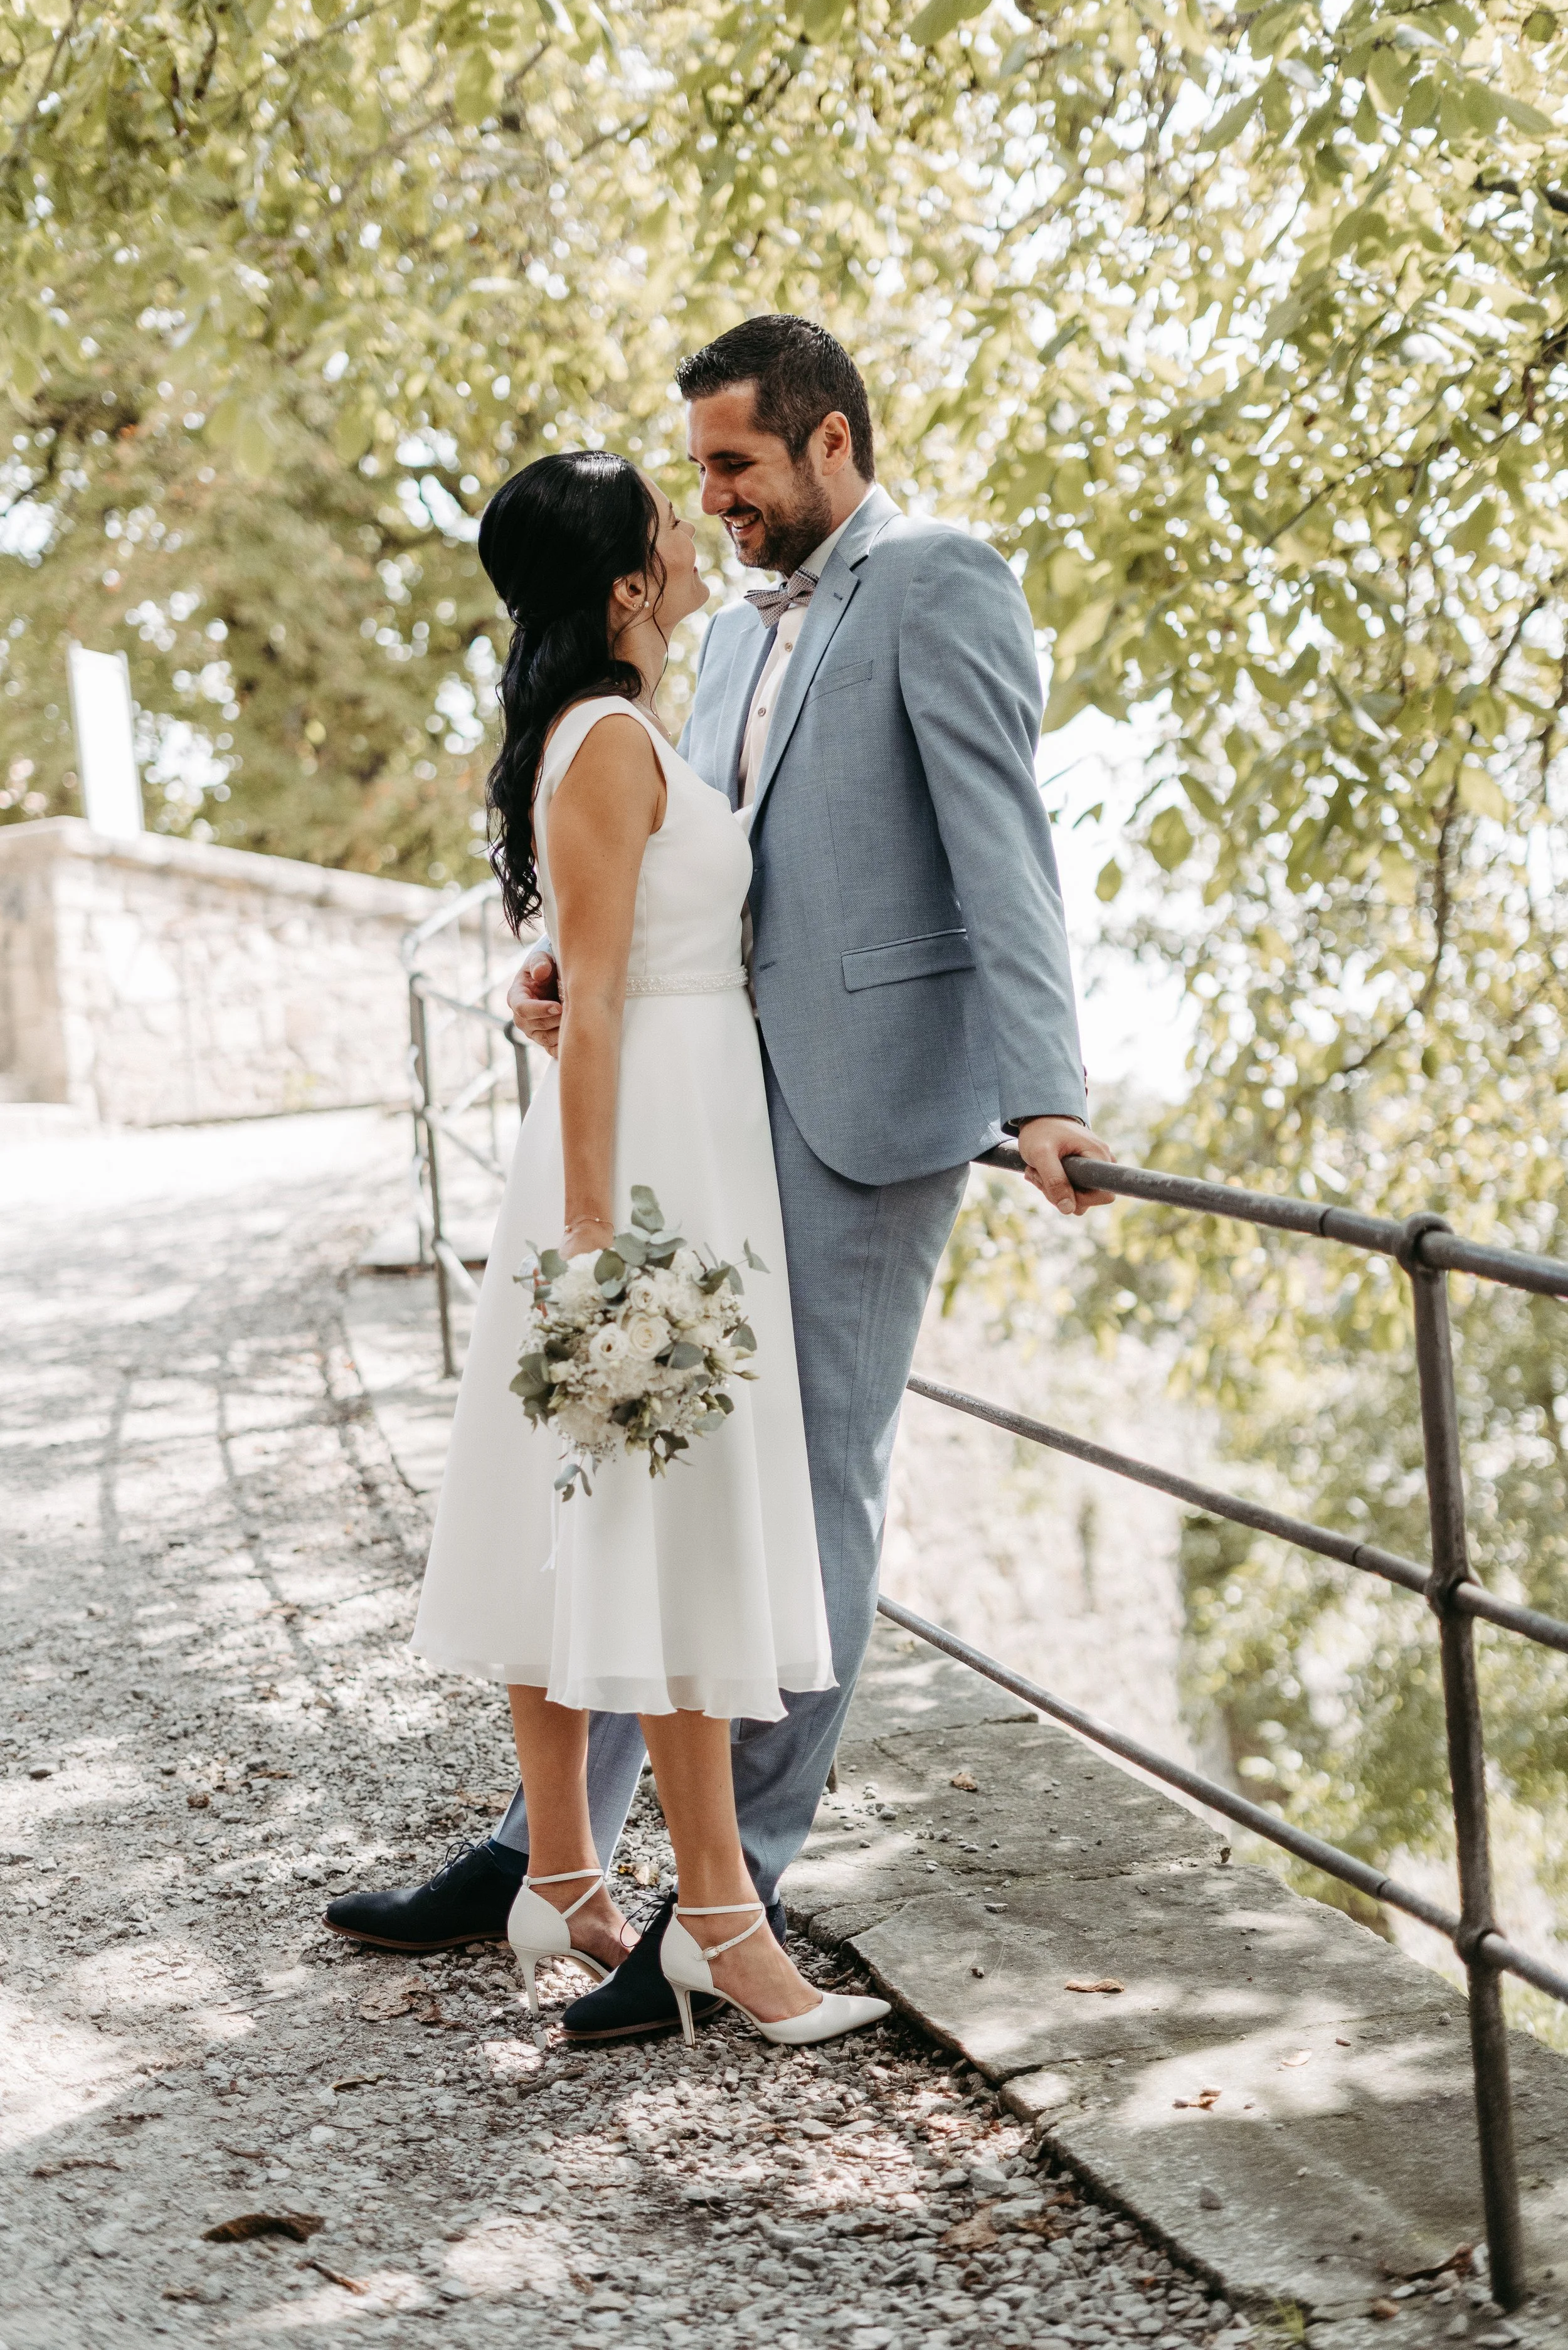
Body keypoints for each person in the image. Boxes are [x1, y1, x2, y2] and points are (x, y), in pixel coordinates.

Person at [327, 317, 1114, 2038]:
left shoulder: (940, 580)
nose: (714, 505)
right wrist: (575, 976)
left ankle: (715, 1885)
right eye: (694, 483)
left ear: (831, 442)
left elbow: (1003, 846)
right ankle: (568, 1856)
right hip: (711, 1108)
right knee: (657, 1480)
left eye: (736, 469)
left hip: (863, 1113)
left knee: (798, 1493)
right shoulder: (733, 639)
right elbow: (697, 864)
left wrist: (1045, 1095)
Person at [400, 445, 887, 2048]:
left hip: (678, 1127)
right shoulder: (606, 739)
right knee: (667, 1522)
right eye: (667, 527)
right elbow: (597, 997)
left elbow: (581, 959)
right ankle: (722, 1927)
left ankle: (561, 1873)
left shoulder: (608, 733)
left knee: (605, 1515)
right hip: (652, 1165)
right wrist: (602, 1240)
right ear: (626, 583)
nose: (689, 540)